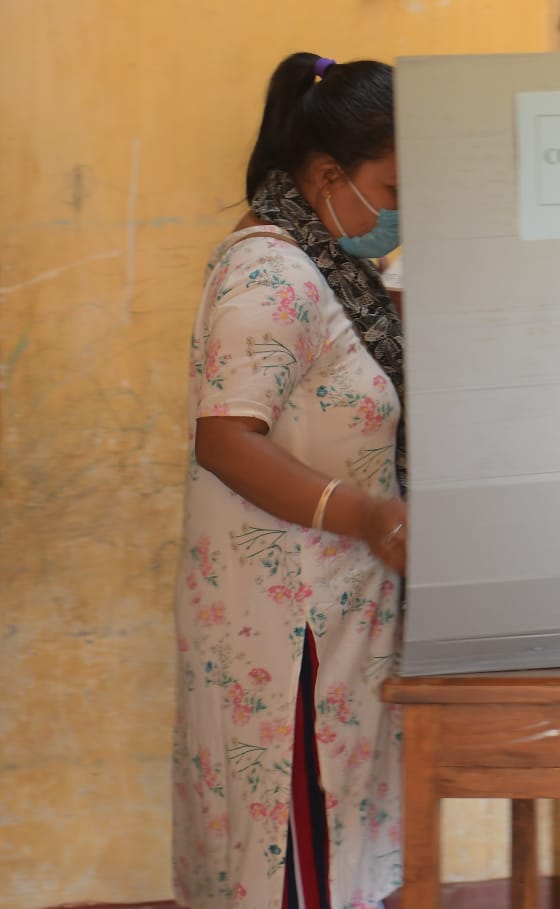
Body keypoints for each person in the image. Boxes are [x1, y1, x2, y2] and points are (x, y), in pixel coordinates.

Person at [172, 51, 406, 909]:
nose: (396, 215)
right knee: (291, 858)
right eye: (390, 192)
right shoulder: (267, 271)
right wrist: (365, 514)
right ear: (327, 175)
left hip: (338, 614)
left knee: (332, 853)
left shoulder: (334, 268)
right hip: (288, 635)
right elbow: (227, 439)